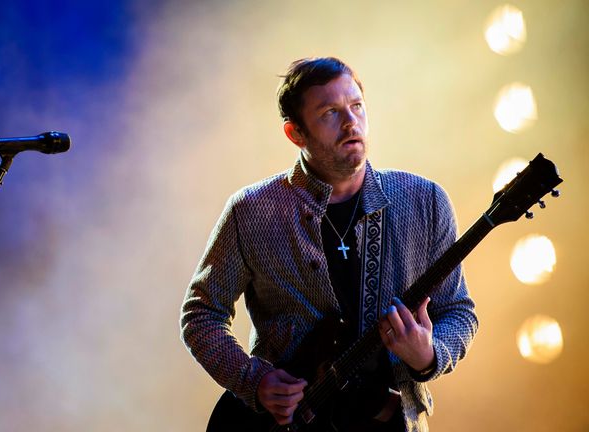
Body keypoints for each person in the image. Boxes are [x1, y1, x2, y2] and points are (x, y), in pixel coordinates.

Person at [180, 57, 478, 431]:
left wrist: (429, 354)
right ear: (295, 134)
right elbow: (201, 313)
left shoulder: (425, 201)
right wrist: (255, 381)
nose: (351, 122)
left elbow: (458, 311)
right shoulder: (251, 211)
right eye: (329, 113)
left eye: (356, 106)